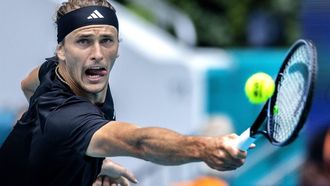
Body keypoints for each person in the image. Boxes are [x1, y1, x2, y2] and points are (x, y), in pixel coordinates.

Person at [0, 0, 252, 185]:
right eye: (83, 41)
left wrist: (86, 161)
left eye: (107, 40)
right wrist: (205, 148)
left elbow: (27, 84)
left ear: (118, 47)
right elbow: (138, 142)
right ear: (62, 51)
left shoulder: (52, 72)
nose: (97, 53)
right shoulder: (66, 120)